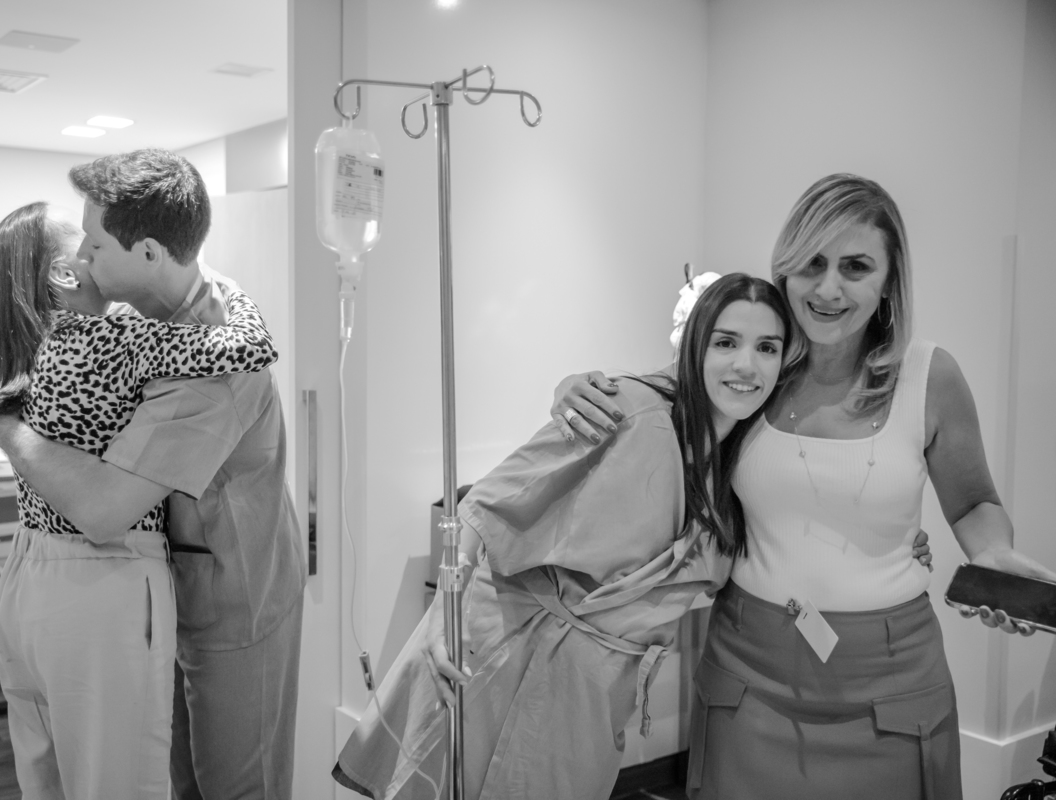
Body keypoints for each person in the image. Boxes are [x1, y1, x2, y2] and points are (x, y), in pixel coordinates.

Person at [552, 174, 1056, 800]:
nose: (828, 288)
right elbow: (646, 396)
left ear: (889, 281)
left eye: (855, 266)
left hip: (892, 681)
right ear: (786, 269)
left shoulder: (930, 376)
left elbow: (975, 501)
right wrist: (572, 386)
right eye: (812, 263)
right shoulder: (753, 365)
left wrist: (993, 554)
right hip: (749, 672)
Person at [336, 273, 793, 800]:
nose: (746, 365)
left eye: (767, 347)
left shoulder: (743, 467)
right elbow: (487, 500)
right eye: (726, 342)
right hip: (499, 654)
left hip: (591, 695)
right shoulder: (629, 409)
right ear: (695, 345)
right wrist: (445, 613)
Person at [0, 150, 307, 800]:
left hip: (234, 599)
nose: (84, 255)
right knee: (176, 781)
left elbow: (103, 509)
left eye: (96, 243)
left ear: (151, 253)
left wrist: (7, 429)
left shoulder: (213, 363)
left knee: (232, 787)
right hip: (165, 590)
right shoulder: (137, 315)